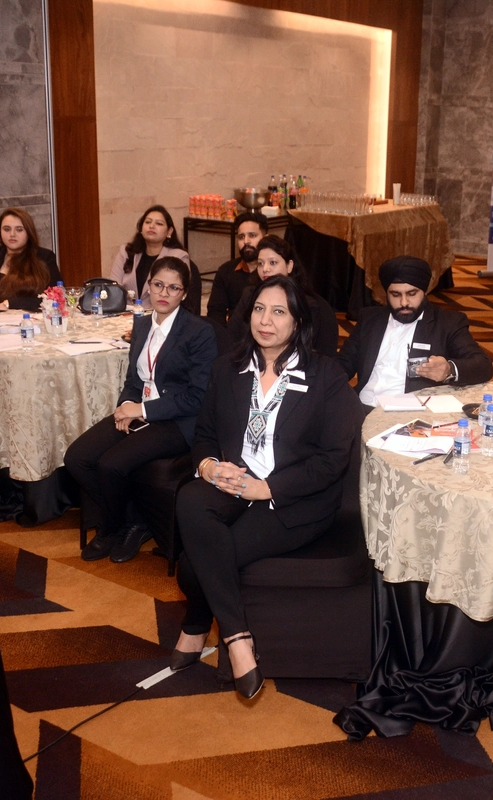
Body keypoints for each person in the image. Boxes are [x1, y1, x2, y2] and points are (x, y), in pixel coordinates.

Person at [170, 275, 360, 699]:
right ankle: (239, 637)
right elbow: (204, 434)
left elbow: (333, 459)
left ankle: (198, 624)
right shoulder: (228, 368)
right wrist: (209, 467)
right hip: (237, 480)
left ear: (298, 321)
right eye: (259, 309)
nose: (265, 321)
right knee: (191, 497)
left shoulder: (325, 376)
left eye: (278, 312)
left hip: (293, 499)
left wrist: (268, 489)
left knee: (193, 565)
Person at [64, 257, 217, 563]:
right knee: (77, 458)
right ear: (149, 286)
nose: (164, 293)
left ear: (185, 294)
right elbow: (133, 380)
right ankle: (130, 518)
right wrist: (125, 406)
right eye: (158, 285)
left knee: (111, 465)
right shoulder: (142, 323)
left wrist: (142, 411)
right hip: (140, 409)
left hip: (178, 421)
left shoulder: (199, 332)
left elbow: (197, 397)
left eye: (173, 288)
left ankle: (112, 529)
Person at [337, 255, 493, 405]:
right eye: (395, 294)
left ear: (424, 292)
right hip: (360, 406)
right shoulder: (370, 319)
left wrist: (449, 369)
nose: (404, 302)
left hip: (410, 411)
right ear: (386, 294)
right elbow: (343, 364)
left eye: (412, 294)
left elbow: (483, 366)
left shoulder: (447, 323)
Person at [226, 235, 338, 356]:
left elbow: (304, 351)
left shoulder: (306, 303)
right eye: (260, 263)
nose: (265, 269)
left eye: (273, 262)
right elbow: (231, 336)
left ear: (289, 266)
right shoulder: (249, 295)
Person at [0, 207, 61, 315]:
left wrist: (9, 304)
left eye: (19, 229)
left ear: (29, 232)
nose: (12, 234)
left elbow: (56, 297)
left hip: (30, 321)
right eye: (6, 229)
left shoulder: (45, 257)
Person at [108, 204, 201, 316]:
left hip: (159, 316)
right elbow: (113, 290)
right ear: (141, 229)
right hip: (123, 316)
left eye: (159, 223)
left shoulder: (178, 256)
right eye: (148, 222)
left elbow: (176, 295)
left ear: (169, 231)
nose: (152, 226)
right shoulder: (126, 252)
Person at [207, 211, 267, 326]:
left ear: (265, 237)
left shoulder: (272, 271)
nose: (246, 241)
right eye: (241, 237)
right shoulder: (226, 271)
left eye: (252, 235)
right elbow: (215, 312)